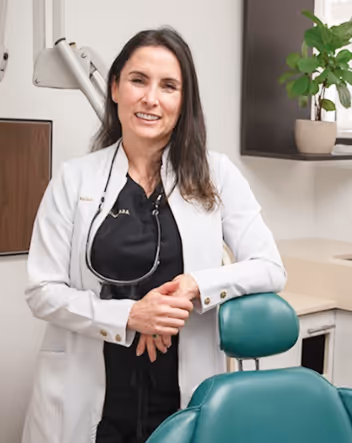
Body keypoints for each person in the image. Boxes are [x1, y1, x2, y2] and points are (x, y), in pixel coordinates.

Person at [21, 27, 286, 443]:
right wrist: (129, 317)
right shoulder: (74, 180)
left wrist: (195, 285)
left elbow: (270, 268)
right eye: (138, 80)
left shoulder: (216, 175)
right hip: (91, 393)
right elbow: (42, 291)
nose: (151, 98)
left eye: (168, 86)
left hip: (180, 393)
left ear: (183, 101)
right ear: (114, 88)